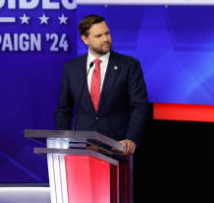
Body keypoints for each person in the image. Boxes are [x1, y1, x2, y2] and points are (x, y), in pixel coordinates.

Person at [55, 15, 148, 156]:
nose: (105, 39)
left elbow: (139, 105)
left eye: (107, 33)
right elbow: (64, 109)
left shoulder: (129, 65)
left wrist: (131, 138)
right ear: (85, 39)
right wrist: (61, 141)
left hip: (118, 147)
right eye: (99, 36)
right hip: (81, 149)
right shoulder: (71, 68)